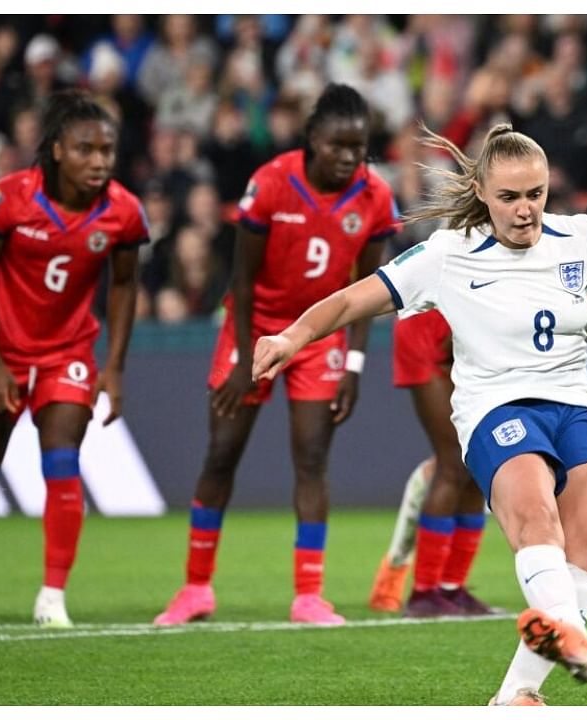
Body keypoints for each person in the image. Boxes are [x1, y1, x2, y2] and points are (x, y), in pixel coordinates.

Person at [251, 123, 587, 705]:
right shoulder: (447, 254)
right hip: (496, 408)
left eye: (534, 194)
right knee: (537, 517)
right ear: (484, 193)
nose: (524, 210)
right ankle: (570, 631)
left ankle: (517, 693)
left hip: (576, 402)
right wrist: (290, 338)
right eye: (509, 197)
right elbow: (350, 299)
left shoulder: (581, 237)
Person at [153, 84, 400, 627]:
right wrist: (245, 360)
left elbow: (370, 289)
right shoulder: (270, 183)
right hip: (256, 328)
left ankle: (309, 594)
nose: (349, 157)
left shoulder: (375, 197)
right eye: (339, 145)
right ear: (313, 137)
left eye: (359, 147)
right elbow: (241, 281)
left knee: (312, 456)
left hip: (322, 337)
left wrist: (355, 366)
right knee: (221, 453)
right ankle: (195, 588)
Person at [366, 185, 587, 619]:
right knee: (452, 462)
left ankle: (452, 585)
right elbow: (468, 333)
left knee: (473, 472)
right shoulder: (555, 259)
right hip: (433, 339)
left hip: (498, 361)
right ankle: (424, 589)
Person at [0, 89, 147, 627]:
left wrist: (114, 366)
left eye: (107, 151)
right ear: (55, 150)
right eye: (85, 150)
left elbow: (124, 287)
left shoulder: (122, 212)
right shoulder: (8, 199)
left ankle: (52, 595)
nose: (99, 162)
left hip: (67, 353)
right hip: (2, 349)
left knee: (62, 463)